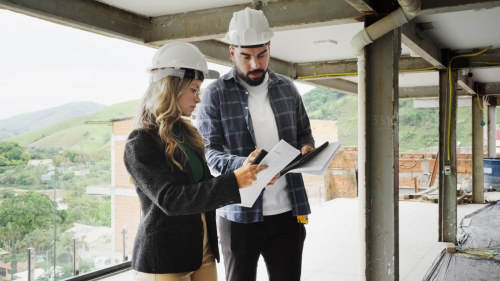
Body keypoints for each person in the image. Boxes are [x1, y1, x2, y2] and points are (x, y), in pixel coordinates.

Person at [123, 41, 266, 281]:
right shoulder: (140, 141)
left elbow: (203, 188)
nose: (198, 99)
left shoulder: (188, 135)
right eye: (194, 90)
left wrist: (247, 176)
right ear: (172, 87)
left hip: (201, 248)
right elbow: (171, 199)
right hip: (165, 256)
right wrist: (234, 182)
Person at [196, 7, 315, 281]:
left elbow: (304, 134)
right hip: (238, 216)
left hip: (288, 212)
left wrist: (307, 148)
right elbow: (208, 153)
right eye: (245, 56)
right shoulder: (214, 95)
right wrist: (243, 165)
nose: (254, 64)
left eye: (261, 55)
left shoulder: (287, 88)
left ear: (269, 48)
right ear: (231, 52)